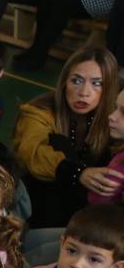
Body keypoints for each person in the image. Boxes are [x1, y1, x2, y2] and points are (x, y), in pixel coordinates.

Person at [12, 47, 119, 228]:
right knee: (59, 143)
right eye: (76, 81)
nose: (84, 92)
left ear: (109, 88)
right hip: (43, 204)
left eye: (97, 83)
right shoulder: (40, 110)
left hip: (90, 211)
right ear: (64, 83)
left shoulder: (114, 119)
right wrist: (78, 173)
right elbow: (32, 152)